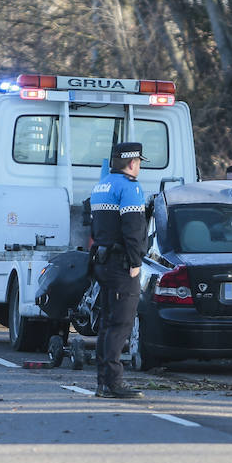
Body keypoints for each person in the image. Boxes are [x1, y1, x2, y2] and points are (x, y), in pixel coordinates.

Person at [88, 141, 147, 398]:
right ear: (132, 163)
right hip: (122, 264)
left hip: (102, 262)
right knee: (121, 324)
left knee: (107, 324)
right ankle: (115, 383)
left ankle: (103, 382)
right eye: (139, 162)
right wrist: (136, 262)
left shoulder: (101, 186)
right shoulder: (130, 188)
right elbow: (133, 229)